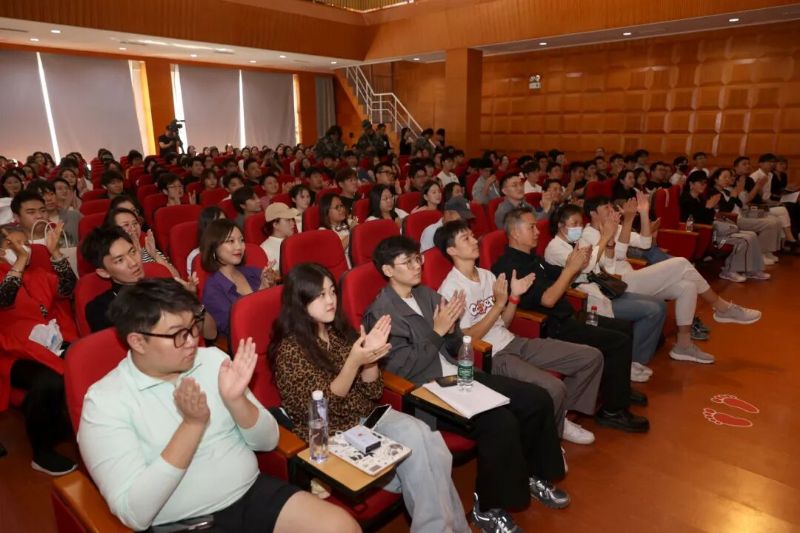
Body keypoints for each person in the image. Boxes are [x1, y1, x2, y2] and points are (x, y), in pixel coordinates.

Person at [77, 278, 358, 532]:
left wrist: (236, 401)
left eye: (193, 326)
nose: (192, 341)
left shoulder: (211, 360)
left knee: (342, 527)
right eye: (178, 334)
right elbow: (134, 513)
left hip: (250, 493)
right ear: (138, 342)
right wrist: (191, 426)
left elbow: (269, 440)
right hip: (184, 523)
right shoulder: (105, 402)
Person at [364, 236, 569, 529]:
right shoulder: (382, 313)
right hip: (426, 392)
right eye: (407, 262)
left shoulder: (426, 294)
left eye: (417, 259)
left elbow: (454, 343)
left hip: (459, 375)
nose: (416, 266)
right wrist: (437, 331)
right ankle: (488, 507)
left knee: (536, 399)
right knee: (501, 423)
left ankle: (533, 474)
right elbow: (402, 370)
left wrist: (452, 331)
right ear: (387, 270)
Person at [270, 264, 470, 533]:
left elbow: (373, 391)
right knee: (425, 463)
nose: (330, 300)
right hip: (331, 433)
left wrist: (372, 359)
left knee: (430, 442)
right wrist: (354, 362)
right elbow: (323, 408)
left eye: (332, 291)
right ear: (300, 302)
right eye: (320, 295)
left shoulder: (339, 332)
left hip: (367, 418)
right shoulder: (290, 351)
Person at [435, 220, 604, 444]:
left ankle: (559, 419)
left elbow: (503, 323)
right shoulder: (451, 289)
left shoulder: (487, 276)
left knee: (590, 357)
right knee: (554, 388)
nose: (475, 241)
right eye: (466, 239)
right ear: (452, 250)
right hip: (492, 355)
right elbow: (466, 340)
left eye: (473, 236)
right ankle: (551, 438)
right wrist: (498, 305)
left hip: (513, 341)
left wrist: (513, 298)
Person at [492, 208, 650, 432]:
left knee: (623, 329)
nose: (538, 232)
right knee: (618, 342)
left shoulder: (532, 258)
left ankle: (617, 389)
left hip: (569, 316)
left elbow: (562, 275)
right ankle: (613, 411)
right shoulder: (510, 266)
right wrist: (570, 270)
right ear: (515, 233)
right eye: (531, 227)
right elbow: (548, 300)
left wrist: (577, 263)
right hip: (552, 326)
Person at [580, 197, 762, 363]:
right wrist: (626, 222)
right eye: (606, 207)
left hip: (631, 280)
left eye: (611, 206)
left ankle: (683, 345)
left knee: (687, 286)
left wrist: (643, 213)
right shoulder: (588, 234)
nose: (612, 210)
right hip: (615, 284)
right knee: (681, 263)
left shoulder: (615, 227)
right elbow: (616, 258)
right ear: (593, 213)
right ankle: (722, 307)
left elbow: (645, 243)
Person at [545, 203, 667, 381]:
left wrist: (609, 242)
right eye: (574, 224)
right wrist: (605, 237)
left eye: (580, 223)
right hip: (586, 298)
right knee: (652, 310)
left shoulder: (577, 243)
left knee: (660, 304)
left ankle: (634, 360)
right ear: (560, 225)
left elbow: (607, 265)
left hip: (603, 289)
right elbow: (586, 267)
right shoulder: (554, 248)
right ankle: (631, 361)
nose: (579, 228)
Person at [0, 223, 77, 475]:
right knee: (49, 381)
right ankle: (41, 453)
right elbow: (4, 299)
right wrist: (20, 262)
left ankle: (75, 426)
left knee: (84, 360)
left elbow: (69, 288)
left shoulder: (37, 273)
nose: (24, 248)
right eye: (14, 244)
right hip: (12, 352)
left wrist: (55, 253)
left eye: (25, 243)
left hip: (48, 344)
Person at [680, 172, 769, 282]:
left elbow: (710, 216)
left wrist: (710, 208)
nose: (704, 186)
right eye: (701, 183)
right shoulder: (686, 200)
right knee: (743, 240)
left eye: (705, 183)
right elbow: (690, 222)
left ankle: (753, 269)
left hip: (714, 230)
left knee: (752, 235)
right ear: (691, 184)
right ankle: (728, 271)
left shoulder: (700, 197)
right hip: (707, 235)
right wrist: (708, 207)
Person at [200, 219, 275, 339]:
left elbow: (276, 309)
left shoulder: (253, 272)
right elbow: (235, 329)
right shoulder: (213, 289)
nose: (239, 246)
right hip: (248, 343)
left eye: (242, 240)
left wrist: (271, 286)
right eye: (231, 241)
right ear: (214, 247)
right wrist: (261, 293)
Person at [711, 168, 782, 266]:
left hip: (740, 216)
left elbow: (740, 205)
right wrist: (733, 196)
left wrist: (737, 193)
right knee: (769, 224)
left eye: (729, 177)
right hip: (731, 220)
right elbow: (726, 209)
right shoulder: (713, 192)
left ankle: (767, 251)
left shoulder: (726, 191)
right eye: (725, 177)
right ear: (716, 179)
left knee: (775, 221)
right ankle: (761, 253)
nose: (728, 179)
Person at [105, 207, 179, 277]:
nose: (133, 228)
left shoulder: (148, 249)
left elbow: (176, 277)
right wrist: (137, 255)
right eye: (126, 225)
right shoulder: (117, 259)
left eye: (135, 223)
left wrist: (155, 255)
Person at [25, 180, 81, 245]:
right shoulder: (32, 223)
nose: (49, 199)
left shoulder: (73, 215)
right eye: (43, 195)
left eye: (51, 194)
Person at [187, 206, 226, 277]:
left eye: (224, 222)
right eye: (218, 223)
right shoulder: (196, 256)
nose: (224, 227)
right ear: (207, 228)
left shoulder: (235, 248)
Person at [320, 194, 357, 264]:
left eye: (341, 206)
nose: (342, 209)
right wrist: (351, 233)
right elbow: (336, 251)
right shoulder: (323, 231)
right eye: (337, 207)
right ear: (327, 211)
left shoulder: (349, 222)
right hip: (344, 264)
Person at [260, 203, 298, 272]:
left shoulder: (293, 240)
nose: (293, 223)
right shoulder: (265, 249)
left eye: (292, 219)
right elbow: (274, 275)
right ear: (275, 225)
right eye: (288, 220)